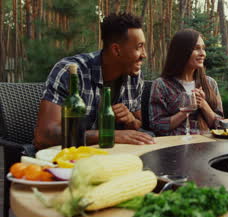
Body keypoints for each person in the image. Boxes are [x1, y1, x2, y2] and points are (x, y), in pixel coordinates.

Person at [34, 12, 155, 149]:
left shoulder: (134, 75)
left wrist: (131, 121)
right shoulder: (71, 72)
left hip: (113, 158)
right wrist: (109, 135)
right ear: (116, 50)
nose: (144, 54)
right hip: (69, 160)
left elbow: (138, 124)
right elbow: (43, 136)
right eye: (139, 47)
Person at [149, 29, 224, 136]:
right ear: (182, 51)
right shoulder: (161, 85)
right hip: (174, 147)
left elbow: (221, 126)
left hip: (207, 146)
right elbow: (156, 126)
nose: (203, 53)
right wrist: (185, 111)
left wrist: (203, 104)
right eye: (197, 48)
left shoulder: (210, 83)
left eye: (203, 49)